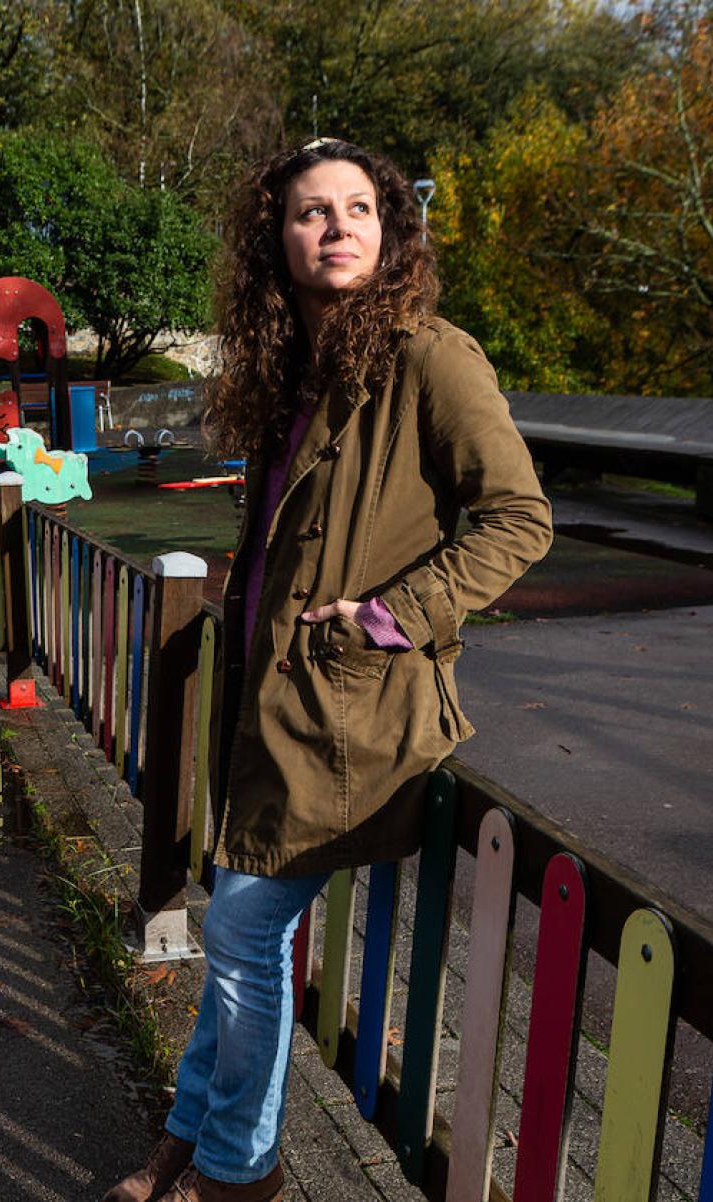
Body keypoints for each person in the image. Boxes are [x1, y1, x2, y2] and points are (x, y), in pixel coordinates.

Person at [103, 138, 552, 1202]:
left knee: (243, 929)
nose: (339, 226)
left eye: (360, 208)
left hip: (356, 707)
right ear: (278, 238)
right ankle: (188, 1137)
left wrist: (393, 615)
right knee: (239, 929)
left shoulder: (431, 357)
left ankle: (237, 1171)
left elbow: (520, 518)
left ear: (390, 230)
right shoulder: (290, 369)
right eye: (313, 211)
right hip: (273, 703)